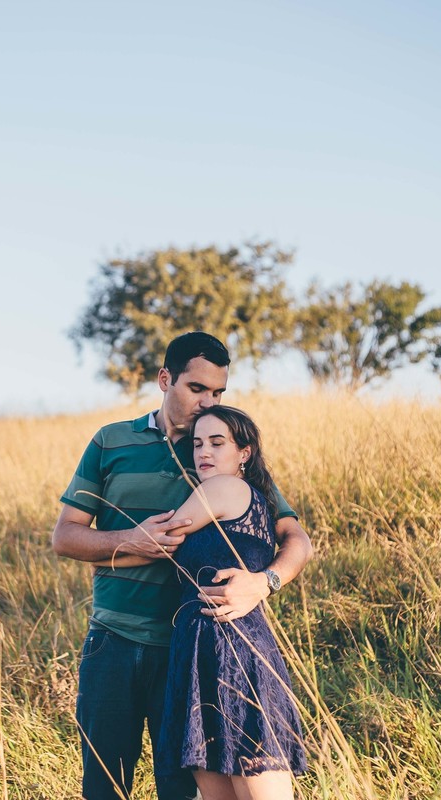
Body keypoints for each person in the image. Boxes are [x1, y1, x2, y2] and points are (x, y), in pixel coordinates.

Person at [52, 332, 313, 800]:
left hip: (189, 649)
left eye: (218, 393)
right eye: (197, 389)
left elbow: (294, 537)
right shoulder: (112, 441)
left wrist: (264, 582)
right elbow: (65, 535)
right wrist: (127, 539)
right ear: (164, 379)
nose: (206, 402)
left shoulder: (220, 454)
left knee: (181, 790)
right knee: (104, 789)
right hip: (113, 641)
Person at [155, 406, 307, 799]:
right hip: (205, 650)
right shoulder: (252, 499)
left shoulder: (223, 489)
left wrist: (92, 545)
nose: (203, 452)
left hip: (231, 650)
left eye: (217, 443)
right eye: (198, 443)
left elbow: (158, 539)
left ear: (244, 453)